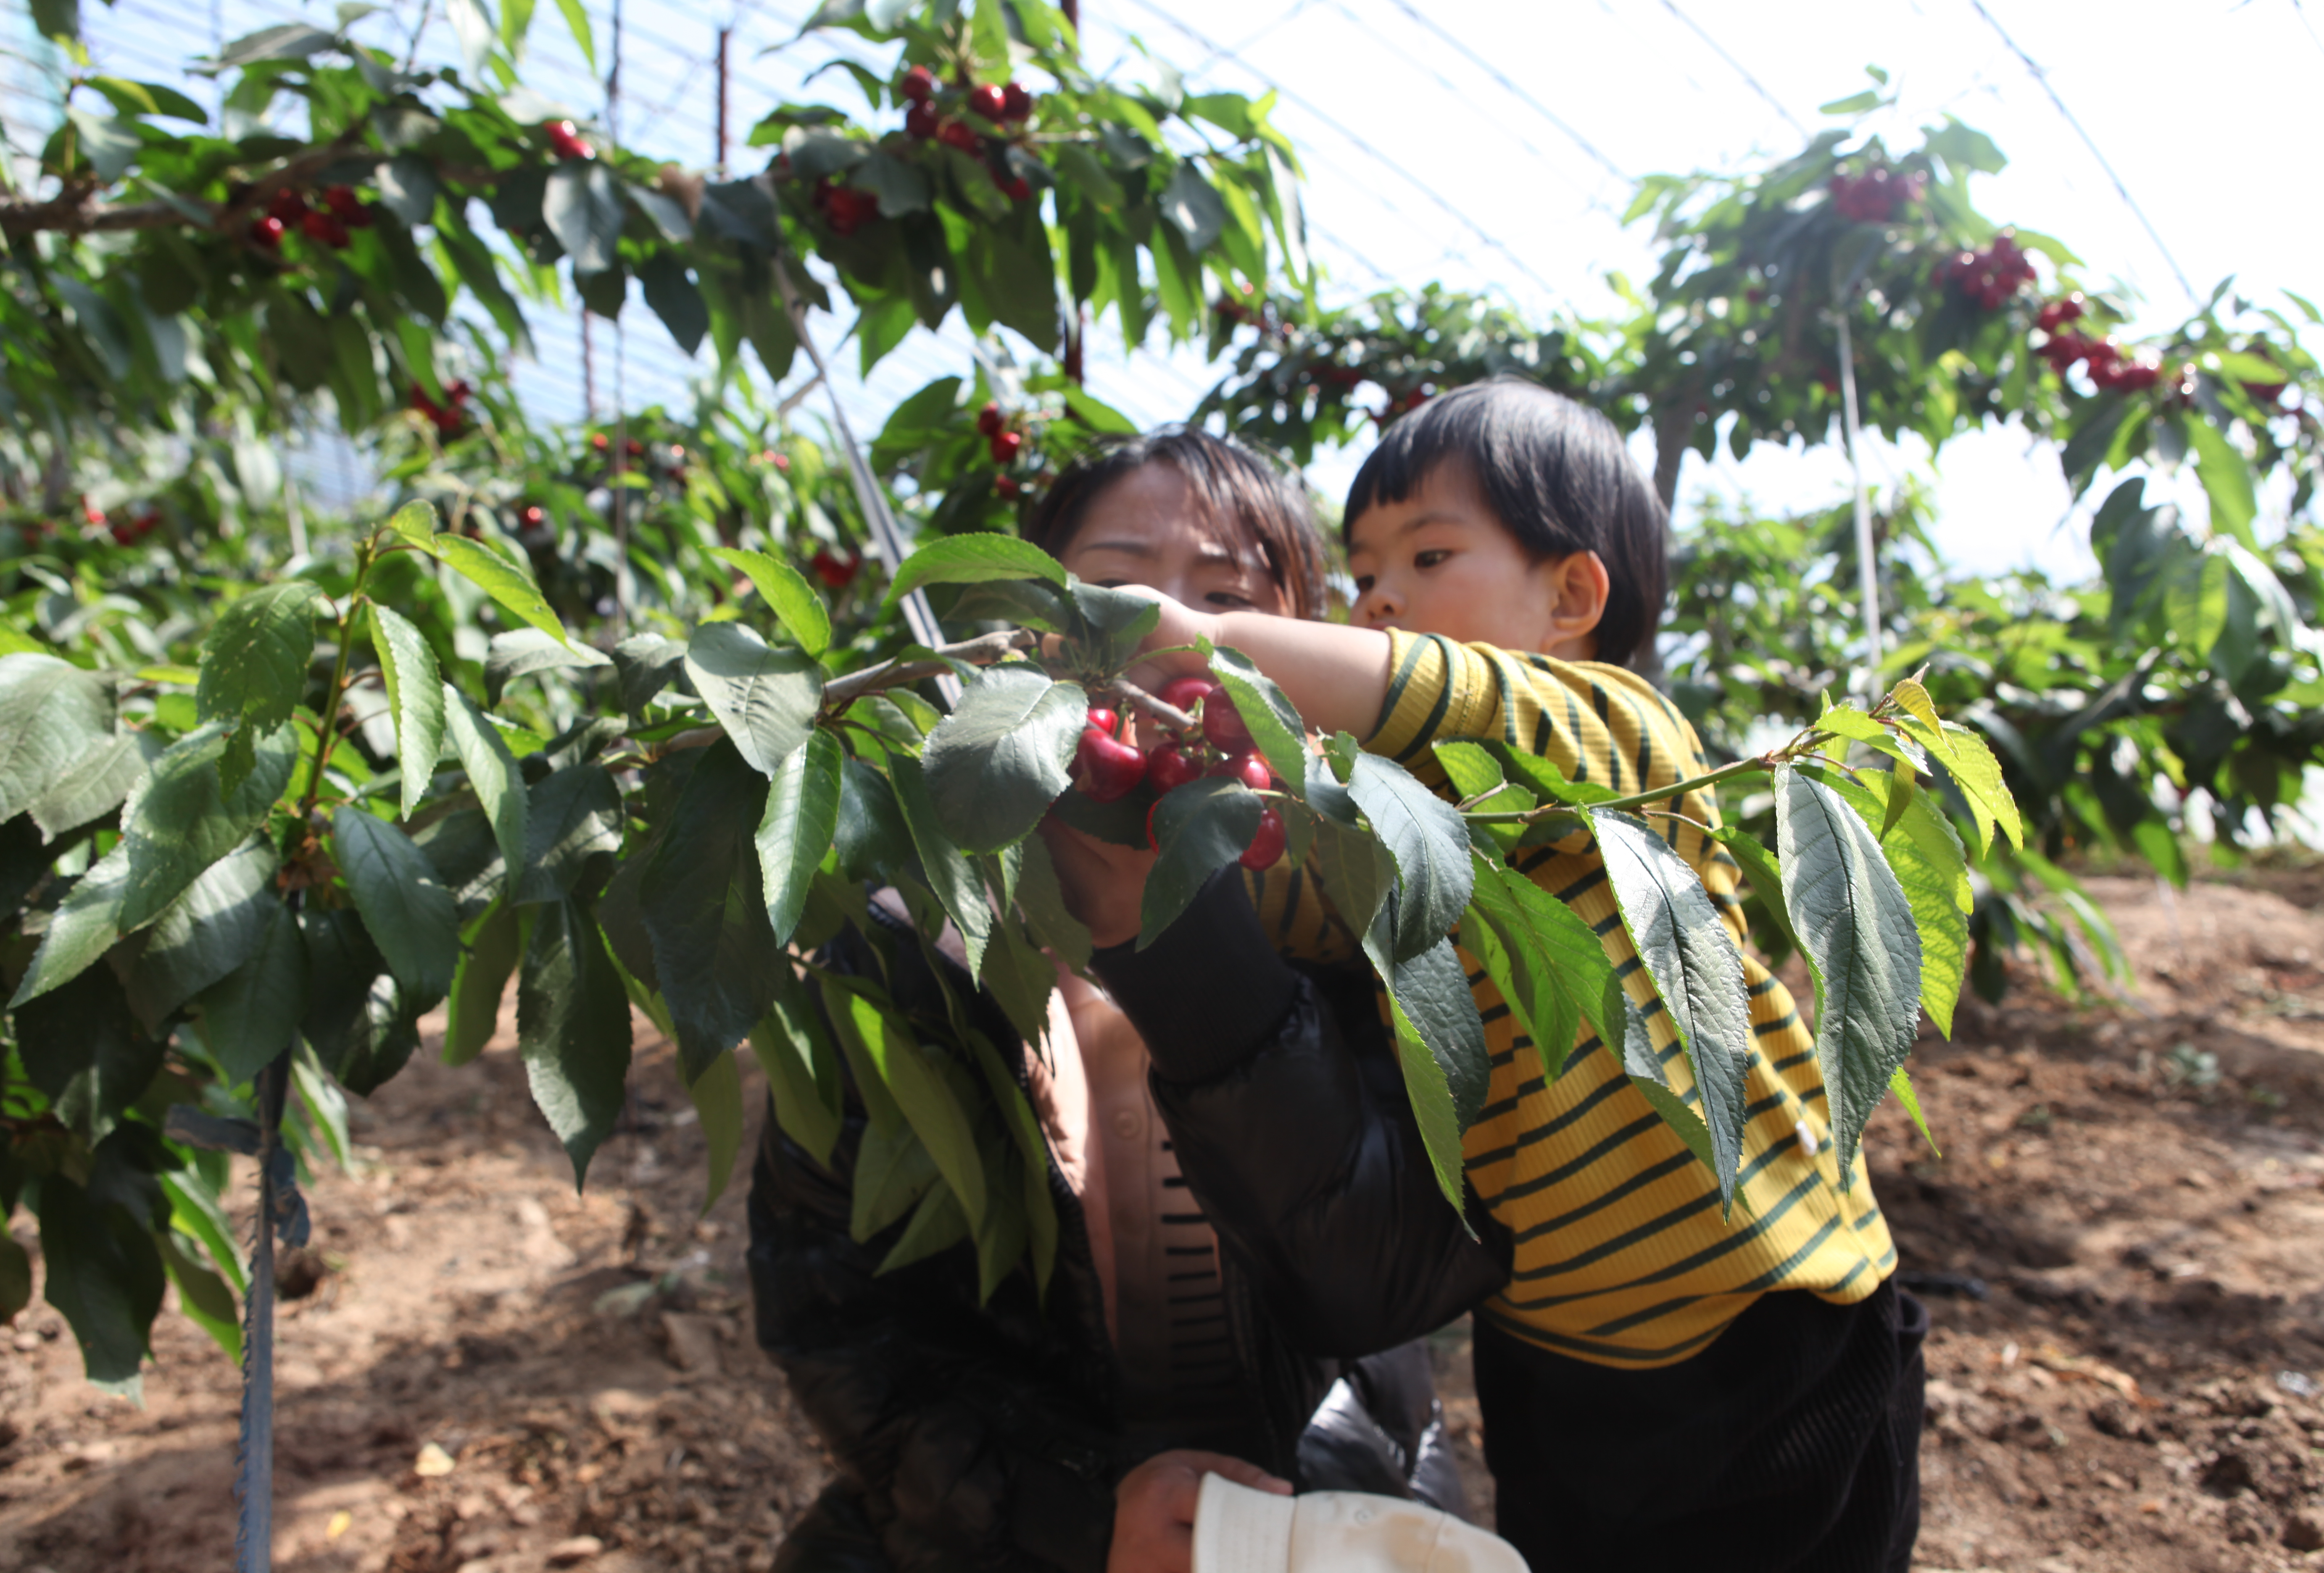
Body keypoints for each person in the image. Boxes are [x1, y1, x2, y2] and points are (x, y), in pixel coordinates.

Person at [1041, 380, 1928, 1572]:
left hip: (1770, 1338)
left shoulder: (1616, 734)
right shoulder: (1376, 821)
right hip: (1557, 1352)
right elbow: (1265, 886)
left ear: (1572, 598)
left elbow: (1450, 692)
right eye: (1363, 575)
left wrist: (1209, 643)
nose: (1383, 598)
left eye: (1430, 552)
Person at [748, 426, 1462, 1573]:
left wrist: (1189, 949)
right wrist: (1082, 1519)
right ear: (1030, 633)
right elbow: (837, 1315)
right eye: (1116, 587)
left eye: (1226, 598)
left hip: (1326, 1500)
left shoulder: (1358, 909)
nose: (1164, 631)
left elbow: (1387, 1275)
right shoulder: (912, 947)